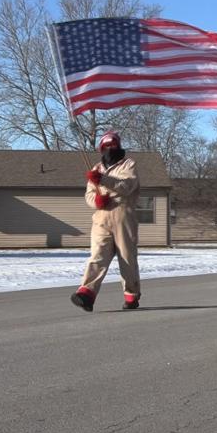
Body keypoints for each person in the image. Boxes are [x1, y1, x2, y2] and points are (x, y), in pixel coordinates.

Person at [71, 131, 141, 312]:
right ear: (102, 148)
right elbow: (89, 194)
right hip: (101, 217)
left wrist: (103, 180)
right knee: (97, 255)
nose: (110, 149)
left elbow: (126, 186)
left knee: (127, 258)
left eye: (113, 145)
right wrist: (96, 201)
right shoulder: (96, 168)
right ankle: (87, 293)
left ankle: (131, 295)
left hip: (123, 214)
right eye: (106, 146)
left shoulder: (128, 164)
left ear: (118, 145)